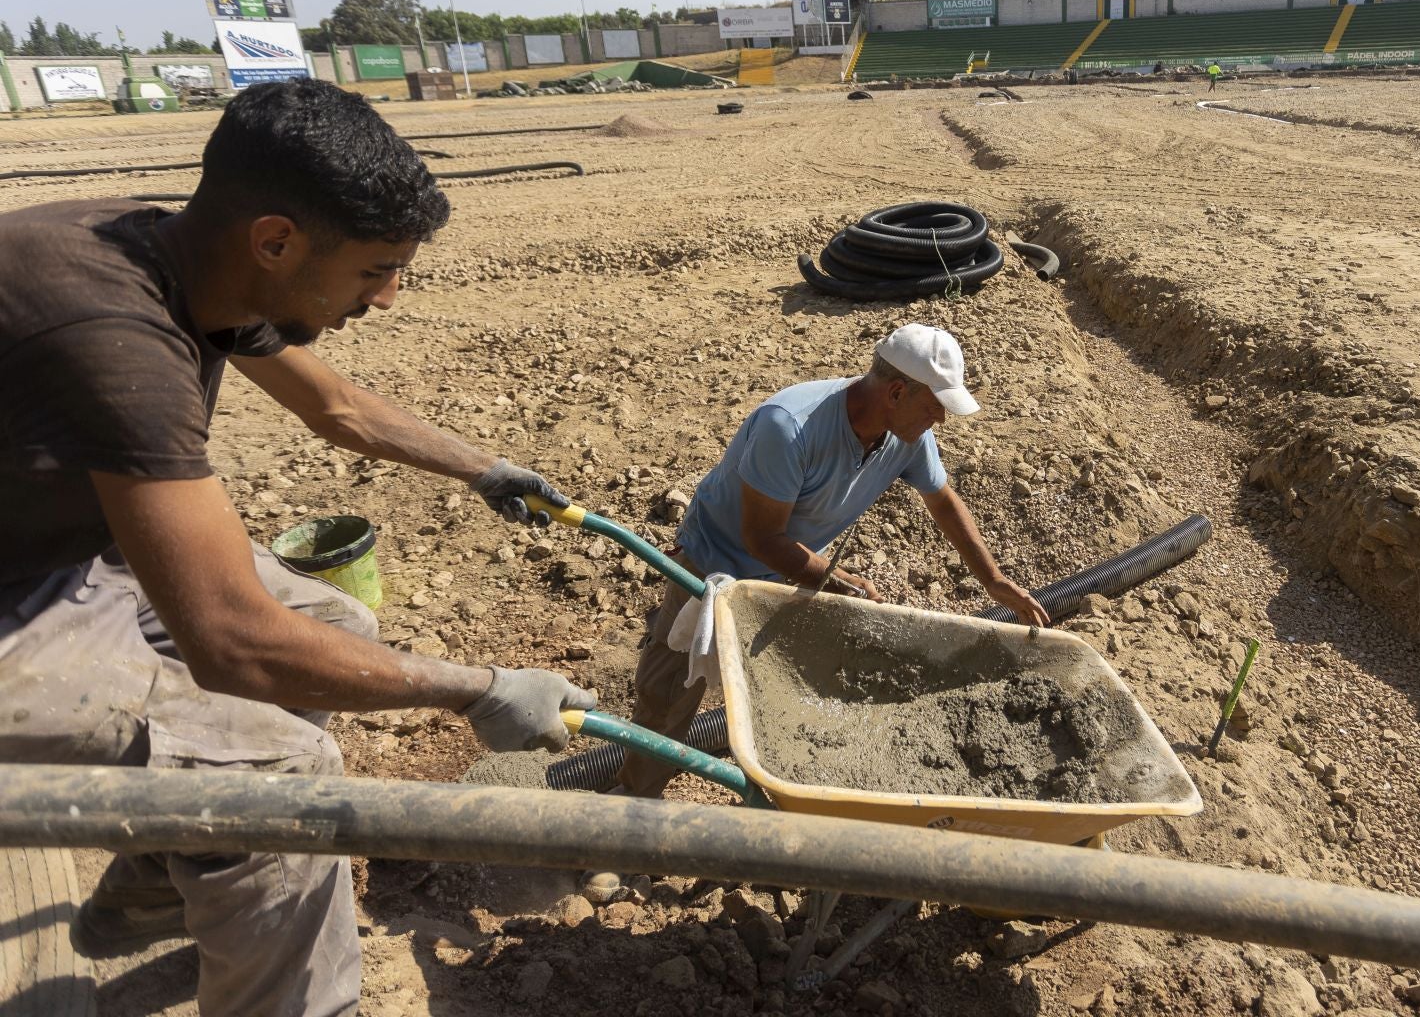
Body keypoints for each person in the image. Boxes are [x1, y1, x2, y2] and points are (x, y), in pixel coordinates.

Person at [0, 79, 594, 1017]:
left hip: (58, 547)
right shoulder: (112, 338)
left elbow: (336, 407)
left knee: (336, 619)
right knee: (282, 771)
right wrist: (480, 690)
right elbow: (231, 644)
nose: (390, 297)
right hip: (12, 609)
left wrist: (483, 468)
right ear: (275, 240)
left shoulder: (190, 252)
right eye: (375, 270)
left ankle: (160, 875)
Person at [616, 324, 1048, 796]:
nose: (940, 421)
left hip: (788, 568)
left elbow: (942, 500)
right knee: (668, 695)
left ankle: (779, 814)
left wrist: (994, 580)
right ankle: (631, 812)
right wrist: (836, 579)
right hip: (712, 562)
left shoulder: (904, 432)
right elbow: (760, 538)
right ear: (897, 391)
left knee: (783, 692)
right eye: (935, 407)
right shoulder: (790, 427)